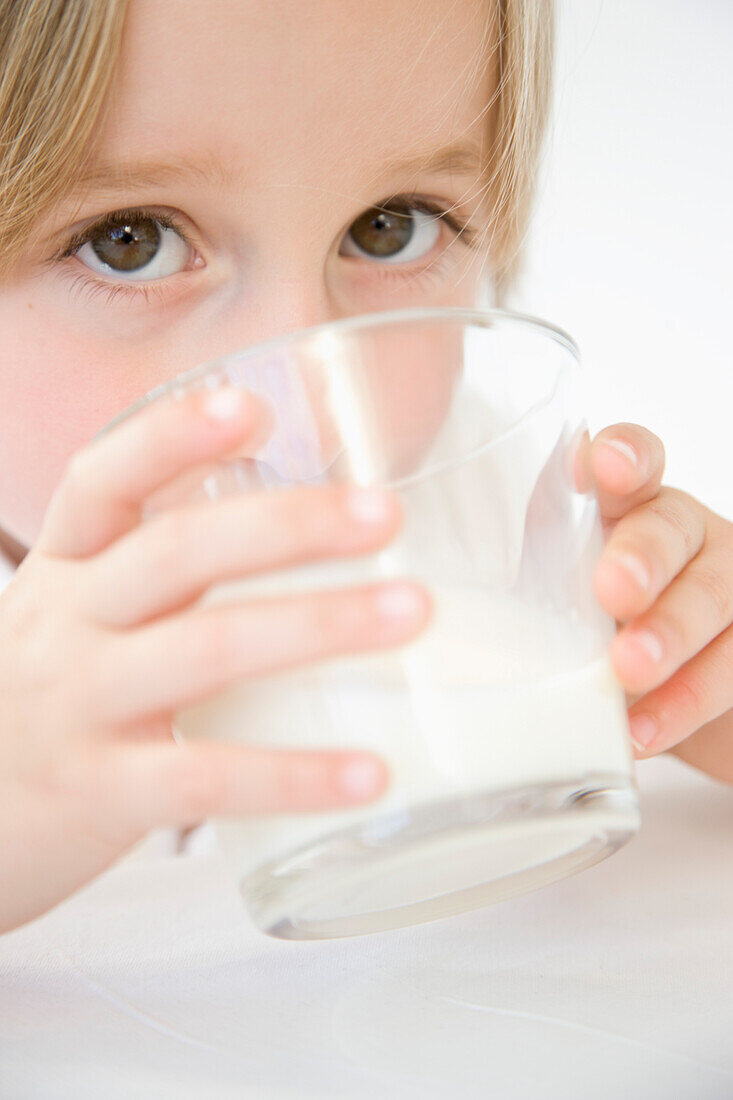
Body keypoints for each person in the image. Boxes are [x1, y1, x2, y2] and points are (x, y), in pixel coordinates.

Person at [0, 0, 730, 938]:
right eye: (129, 240)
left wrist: (693, 684)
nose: (308, 429)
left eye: (391, 227)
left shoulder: (492, 533)